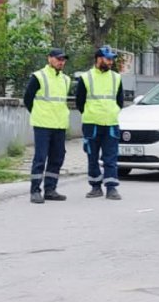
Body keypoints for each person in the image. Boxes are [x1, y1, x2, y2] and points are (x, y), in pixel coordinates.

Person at [22, 48, 73, 204]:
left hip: (59, 124)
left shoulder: (66, 79)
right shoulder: (38, 77)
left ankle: (50, 190)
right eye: (58, 59)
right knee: (40, 158)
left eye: (63, 60)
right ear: (49, 59)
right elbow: (27, 99)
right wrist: (38, 113)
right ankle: (35, 191)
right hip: (43, 124)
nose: (61, 62)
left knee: (57, 157)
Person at [76, 45, 125, 200]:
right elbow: (79, 102)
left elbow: (120, 101)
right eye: (108, 58)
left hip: (110, 123)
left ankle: (111, 188)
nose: (110, 62)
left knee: (110, 157)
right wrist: (91, 112)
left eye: (111, 59)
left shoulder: (116, 77)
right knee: (92, 157)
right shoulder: (86, 77)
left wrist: (112, 111)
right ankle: (95, 186)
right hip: (92, 123)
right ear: (98, 59)